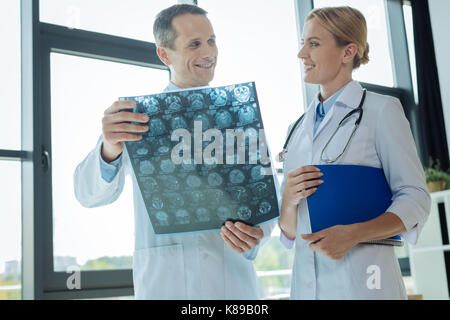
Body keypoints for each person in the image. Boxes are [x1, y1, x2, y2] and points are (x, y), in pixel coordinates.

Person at [74, 4, 275, 299]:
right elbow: (87, 194)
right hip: (165, 286)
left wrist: (256, 236)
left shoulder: (241, 117)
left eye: (211, 40)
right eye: (194, 43)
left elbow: (270, 200)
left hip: (232, 288)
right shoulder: (138, 119)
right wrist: (109, 148)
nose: (209, 52)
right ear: (164, 54)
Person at [278, 6, 430, 299]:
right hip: (306, 287)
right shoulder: (295, 129)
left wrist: (354, 234)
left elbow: (416, 198)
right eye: (302, 43)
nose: (301, 55)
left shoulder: (381, 110)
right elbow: (289, 231)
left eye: (314, 44)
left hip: (366, 283)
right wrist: (287, 202)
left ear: (348, 52)